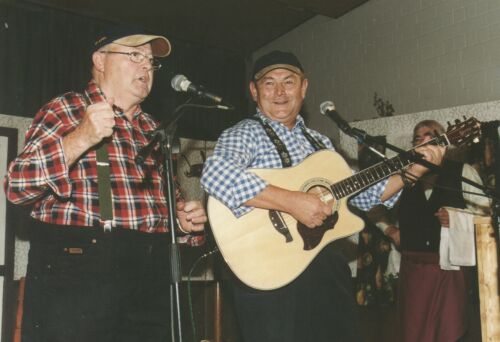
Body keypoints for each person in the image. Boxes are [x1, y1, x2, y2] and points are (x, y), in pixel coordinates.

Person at [200, 50, 445, 342]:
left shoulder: (321, 143)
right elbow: (216, 172)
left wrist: (413, 172)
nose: (279, 91)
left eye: (288, 82)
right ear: (254, 91)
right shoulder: (246, 133)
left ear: (304, 87)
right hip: (267, 268)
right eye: (269, 83)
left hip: (325, 265)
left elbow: (365, 198)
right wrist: (293, 201)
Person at [4, 25, 207, 342]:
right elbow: (16, 187)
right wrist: (80, 138)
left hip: (149, 278)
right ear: (100, 60)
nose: (146, 67)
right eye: (135, 55)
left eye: (150, 61)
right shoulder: (65, 109)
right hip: (77, 273)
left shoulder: (154, 129)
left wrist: (182, 222)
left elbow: (167, 207)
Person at [372, 120, 490, 342]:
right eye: (418, 138)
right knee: (414, 332)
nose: (425, 141)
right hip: (413, 271)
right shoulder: (402, 176)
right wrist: (389, 230)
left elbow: (485, 214)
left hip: (450, 268)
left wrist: (458, 218)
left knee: (450, 330)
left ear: (444, 143)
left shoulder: (462, 172)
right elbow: (371, 205)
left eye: (431, 136)